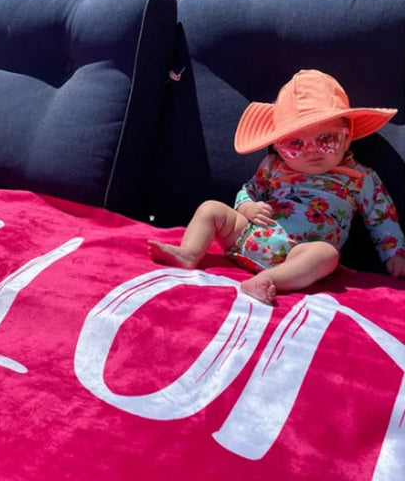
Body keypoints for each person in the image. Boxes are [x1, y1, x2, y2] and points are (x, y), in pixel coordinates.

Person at [148, 69, 405, 305]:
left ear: (347, 137)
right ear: (278, 146)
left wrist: (394, 254)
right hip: (250, 236)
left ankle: (270, 279)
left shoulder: (361, 178)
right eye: (294, 144)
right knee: (211, 208)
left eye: (326, 139)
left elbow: (382, 218)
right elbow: (250, 189)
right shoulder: (273, 165)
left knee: (326, 254)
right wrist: (247, 207)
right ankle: (189, 252)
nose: (311, 151)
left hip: (300, 254)